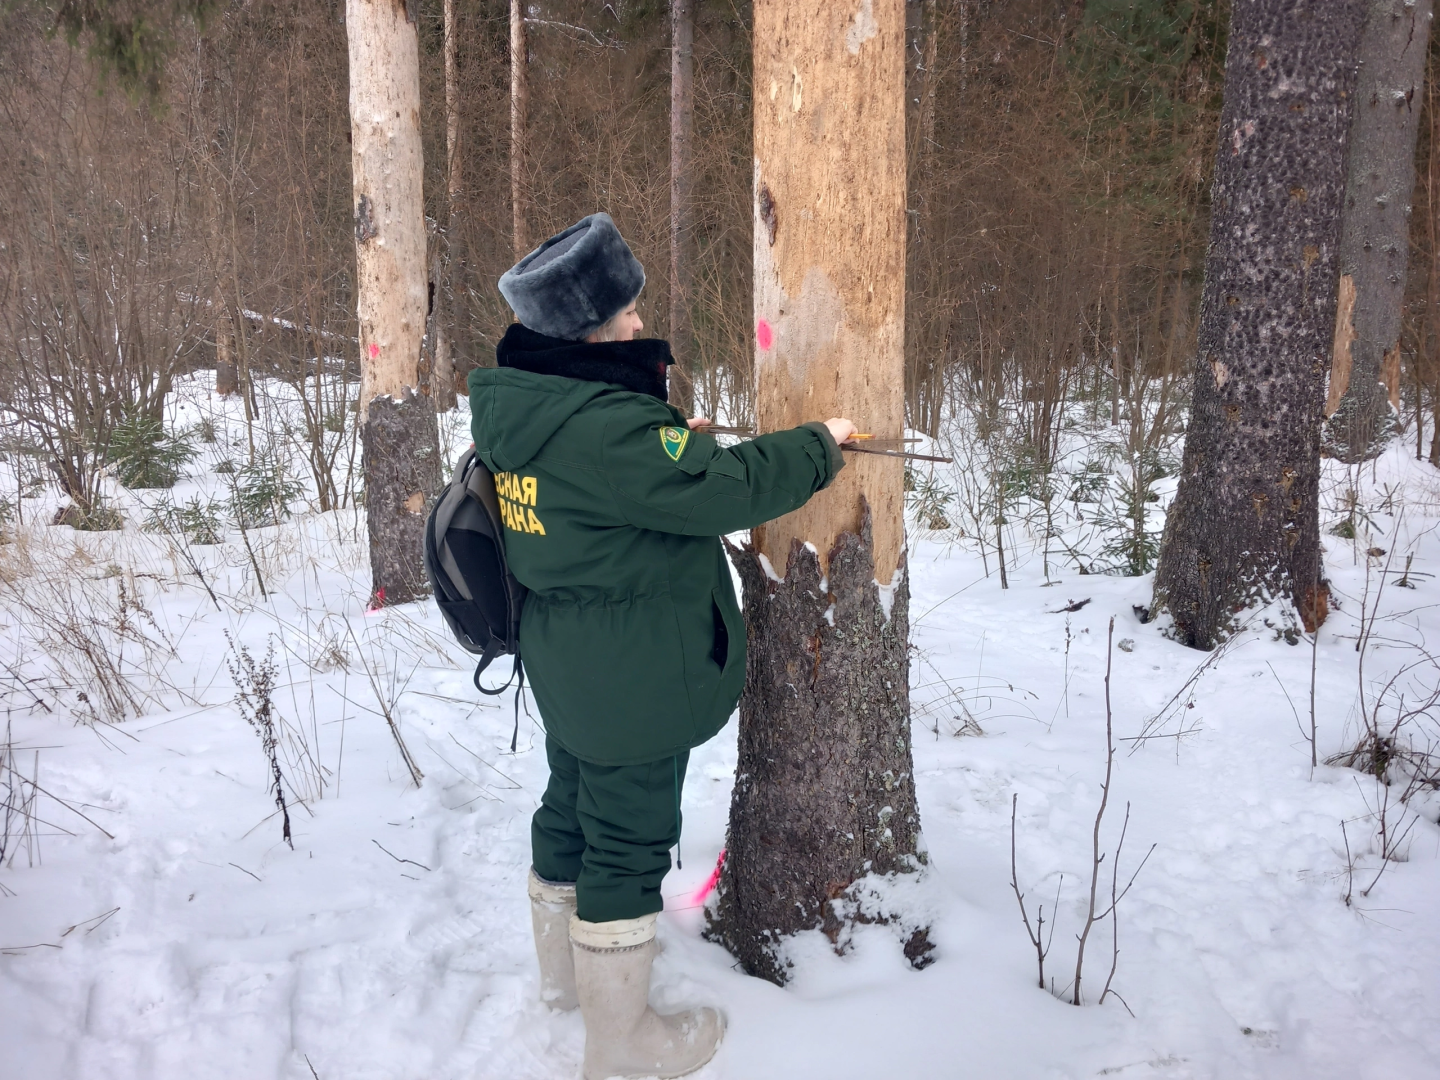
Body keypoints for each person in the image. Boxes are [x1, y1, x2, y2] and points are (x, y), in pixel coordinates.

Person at [469, 212, 854, 1080]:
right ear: (586, 330)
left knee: (569, 807)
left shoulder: (524, 407)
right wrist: (819, 447)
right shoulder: (610, 431)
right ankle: (621, 1045)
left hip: (567, 663)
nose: (641, 325)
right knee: (627, 842)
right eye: (627, 314)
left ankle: (569, 986)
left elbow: (632, 477)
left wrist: (669, 442)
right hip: (631, 676)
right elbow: (730, 488)